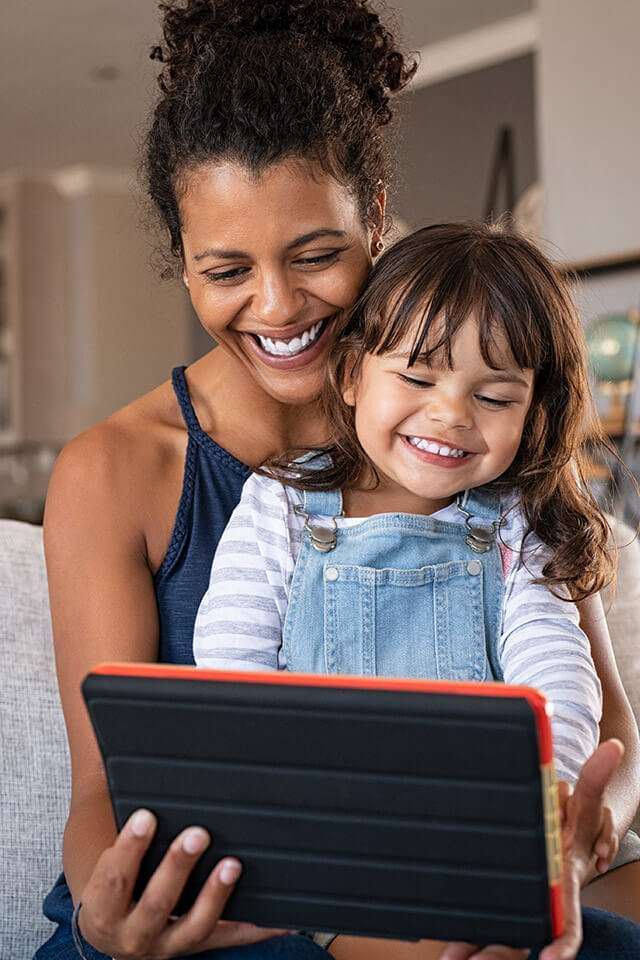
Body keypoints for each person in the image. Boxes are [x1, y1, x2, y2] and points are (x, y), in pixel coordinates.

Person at [37, 1, 639, 958]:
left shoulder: (470, 428)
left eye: (317, 254)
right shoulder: (117, 469)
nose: (276, 306)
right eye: (224, 269)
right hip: (223, 904)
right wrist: (112, 917)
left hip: (442, 880)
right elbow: (102, 791)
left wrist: (565, 830)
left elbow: (603, 717)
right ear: (183, 266)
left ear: (375, 215)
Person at [192, 221, 639, 955]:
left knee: (620, 924)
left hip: (505, 822)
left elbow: (557, 672)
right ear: (350, 373)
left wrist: (548, 807)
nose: (452, 415)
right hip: (349, 842)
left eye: (494, 396)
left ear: (532, 415)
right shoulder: (280, 504)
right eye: (418, 377)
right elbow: (233, 676)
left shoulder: (517, 524)